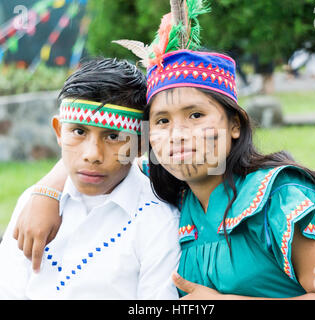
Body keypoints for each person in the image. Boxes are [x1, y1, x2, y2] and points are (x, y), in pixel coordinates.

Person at [13, 1, 315, 299]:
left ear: (235, 124)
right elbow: (93, 158)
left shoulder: (280, 199)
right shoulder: (171, 190)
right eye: (162, 121)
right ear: (147, 138)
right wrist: (45, 193)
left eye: (196, 115)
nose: (178, 135)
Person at [0, 58, 180, 299]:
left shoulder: (158, 221)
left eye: (114, 136)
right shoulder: (32, 204)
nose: (92, 155)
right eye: (79, 132)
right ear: (58, 132)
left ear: (140, 144)